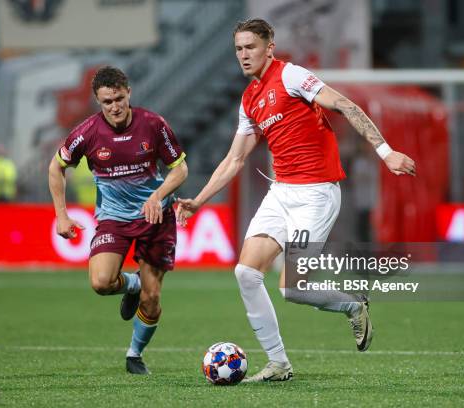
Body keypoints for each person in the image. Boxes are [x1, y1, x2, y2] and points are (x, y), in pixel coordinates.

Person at [176, 19, 415, 382]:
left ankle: (353, 304)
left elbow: (345, 105)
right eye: (238, 49)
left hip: (316, 195)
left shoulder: (291, 77)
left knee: (291, 288)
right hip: (281, 193)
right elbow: (235, 159)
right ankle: (278, 364)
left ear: (269, 47)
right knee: (246, 273)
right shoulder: (249, 99)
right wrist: (199, 200)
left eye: (250, 47)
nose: (243, 55)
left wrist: (386, 152)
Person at [48, 66, 188, 375]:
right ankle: (133, 284)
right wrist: (61, 214)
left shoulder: (153, 124)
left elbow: (180, 169)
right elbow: (56, 167)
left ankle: (134, 354)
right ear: (98, 101)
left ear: (129, 93)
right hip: (113, 218)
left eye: (119, 99)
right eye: (107, 102)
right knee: (101, 283)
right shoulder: (87, 132)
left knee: (153, 299)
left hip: (156, 215)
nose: (114, 107)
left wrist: (157, 196)